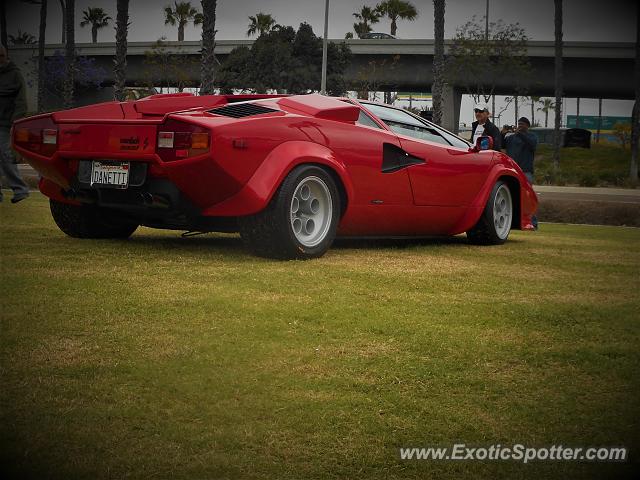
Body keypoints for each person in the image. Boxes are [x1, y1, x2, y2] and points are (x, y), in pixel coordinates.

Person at [0, 45, 29, 204]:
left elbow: (21, 102)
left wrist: (15, 122)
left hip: (6, 124)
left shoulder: (15, 75)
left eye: (1, 56)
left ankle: (20, 189)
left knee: (6, 156)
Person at [504, 116, 538, 229]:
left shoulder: (532, 137)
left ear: (527, 126)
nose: (520, 126)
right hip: (513, 171)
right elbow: (501, 144)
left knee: (528, 198)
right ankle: (512, 222)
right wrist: (503, 133)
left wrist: (521, 134)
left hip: (526, 171)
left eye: (522, 124)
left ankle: (532, 223)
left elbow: (532, 145)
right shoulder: (512, 138)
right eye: (519, 124)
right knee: (512, 196)